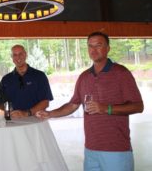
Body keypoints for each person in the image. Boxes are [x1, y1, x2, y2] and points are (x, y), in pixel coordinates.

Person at [35, 31, 144, 171]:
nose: (93, 50)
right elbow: (72, 104)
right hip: (91, 149)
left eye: (98, 45)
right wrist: (50, 114)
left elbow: (138, 106)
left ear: (108, 48)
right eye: (90, 46)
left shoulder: (121, 73)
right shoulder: (84, 77)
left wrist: (106, 108)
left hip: (116, 149)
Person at [0, 44, 53, 119]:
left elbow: (45, 102)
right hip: (14, 120)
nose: (18, 57)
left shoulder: (39, 76)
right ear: (12, 58)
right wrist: (5, 112)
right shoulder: (6, 79)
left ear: (26, 55)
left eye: (20, 54)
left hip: (36, 119)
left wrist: (26, 113)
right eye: (15, 55)